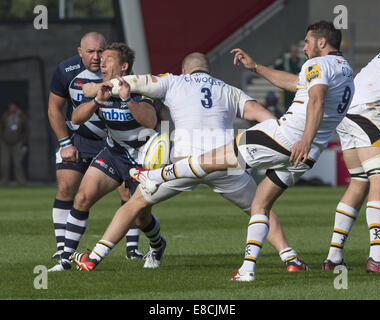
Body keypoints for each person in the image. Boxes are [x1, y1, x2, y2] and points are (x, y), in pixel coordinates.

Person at [126, 21, 354, 281]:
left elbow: (317, 99)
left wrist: (304, 138)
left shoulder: (318, 64)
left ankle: (155, 176)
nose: (304, 47)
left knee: (212, 159)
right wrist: (255, 67)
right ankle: (247, 269)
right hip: (307, 155)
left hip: (287, 138)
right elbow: (295, 84)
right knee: (260, 204)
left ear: (321, 42)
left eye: (307, 41)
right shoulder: (345, 69)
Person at [71, 52, 310, 273]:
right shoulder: (229, 90)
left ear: (185, 70)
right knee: (260, 207)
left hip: (185, 162)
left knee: (133, 204)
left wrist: (94, 88)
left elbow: (130, 82)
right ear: (208, 70)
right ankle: (290, 258)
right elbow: (263, 116)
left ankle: (94, 257)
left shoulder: (174, 81)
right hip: (226, 162)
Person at [48, 42, 166, 272]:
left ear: (124, 66)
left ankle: (157, 244)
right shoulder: (101, 87)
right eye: (101, 58)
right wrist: (95, 102)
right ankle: (65, 259)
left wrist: (127, 100)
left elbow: (150, 121)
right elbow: (76, 119)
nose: (101, 62)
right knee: (82, 197)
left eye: (108, 59)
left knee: (141, 219)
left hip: (144, 159)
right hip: (115, 152)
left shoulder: (141, 87)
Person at [322, 48, 380, 273]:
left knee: (359, 181)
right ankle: (378, 258)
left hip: (346, 110)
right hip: (367, 111)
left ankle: (334, 257)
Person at [0, 100, 28, 185]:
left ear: (16, 107)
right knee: (4, 163)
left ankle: (21, 182)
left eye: (13, 106)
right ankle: (4, 181)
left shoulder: (21, 116)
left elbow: (26, 130)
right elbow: (1, 128)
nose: (11, 108)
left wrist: (23, 141)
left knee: (17, 164)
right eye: (10, 106)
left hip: (17, 143)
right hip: (5, 143)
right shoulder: (5, 116)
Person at [275, 45, 305, 111]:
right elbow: (276, 69)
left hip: (298, 88)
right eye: (292, 51)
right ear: (290, 52)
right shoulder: (286, 62)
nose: (293, 53)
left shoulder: (303, 61)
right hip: (287, 88)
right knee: (287, 106)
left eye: (295, 51)